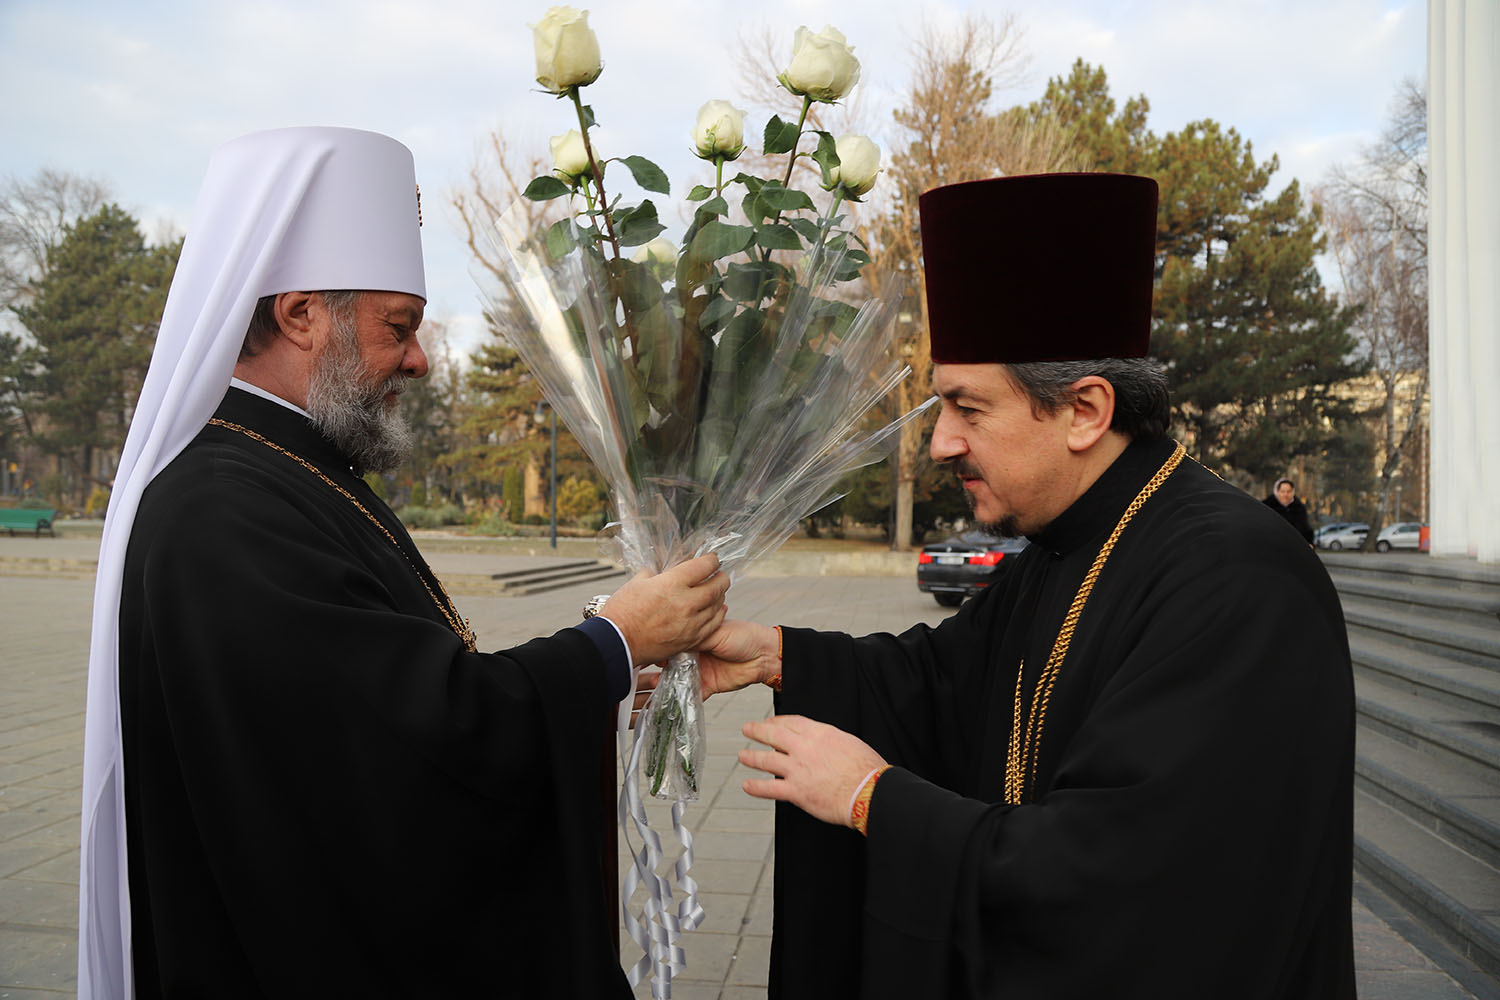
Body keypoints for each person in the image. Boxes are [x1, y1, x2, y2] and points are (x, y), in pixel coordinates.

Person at [78, 127, 730, 998]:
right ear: (300, 314)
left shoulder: (291, 470)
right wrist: (609, 645)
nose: (419, 360)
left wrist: (603, 677)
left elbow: (396, 691)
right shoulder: (221, 511)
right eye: (400, 327)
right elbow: (406, 754)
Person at [697, 173, 1355, 998]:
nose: (940, 442)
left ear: (1084, 411)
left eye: (967, 408)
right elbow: (942, 682)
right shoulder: (1065, 543)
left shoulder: (1239, 582)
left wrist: (872, 798)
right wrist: (774, 654)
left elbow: (1122, 882)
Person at [1265, 476, 1316, 544]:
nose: (1285, 494)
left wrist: (1309, 543)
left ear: (1293, 492)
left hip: (1293, 544)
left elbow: (1305, 528)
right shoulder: (1267, 507)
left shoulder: (1299, 509)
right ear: (1277, 492)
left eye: (1288, 491)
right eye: (1282, 491)